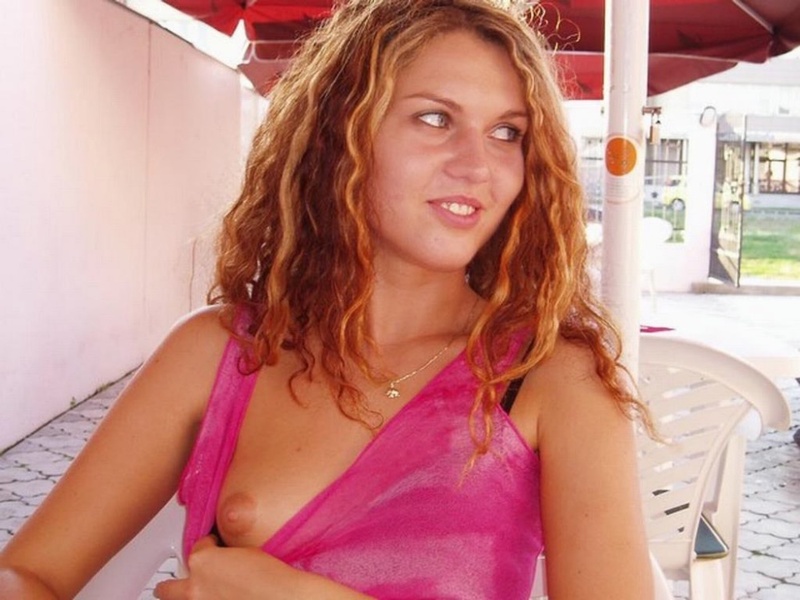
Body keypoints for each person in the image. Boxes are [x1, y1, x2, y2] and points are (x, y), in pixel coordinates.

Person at [0, 0, 656, 598]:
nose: (477, 166)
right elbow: (29, 573)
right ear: (341, 134)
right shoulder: (221, 352)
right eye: (435, 118)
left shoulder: (553, 379)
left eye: (508, 133)